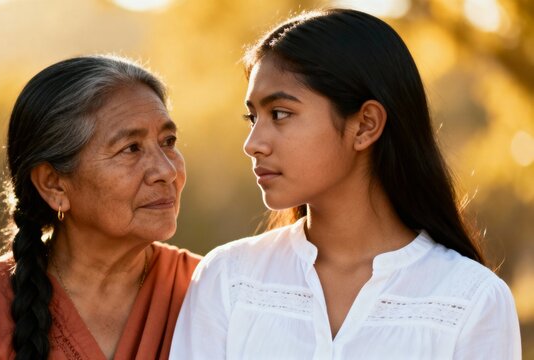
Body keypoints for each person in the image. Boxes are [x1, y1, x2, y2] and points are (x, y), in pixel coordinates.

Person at [170, 9, 521, 359]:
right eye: (252, 118)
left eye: (279, 114)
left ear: (366, 125)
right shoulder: (228, 280)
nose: (253, 143)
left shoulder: (471, 300)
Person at [0, 55, 200, 360]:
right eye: (131, 148)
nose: (167, 170)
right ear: (53, 184)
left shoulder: (213, 289)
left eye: (168, 141)